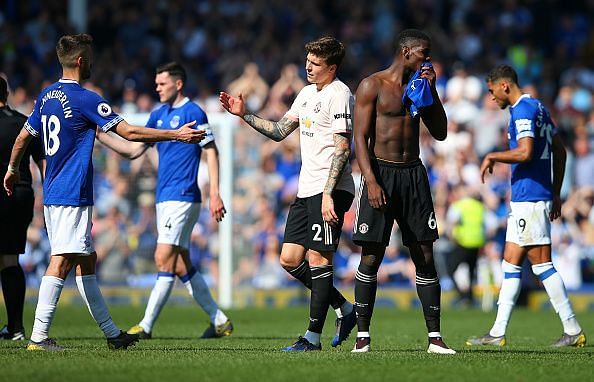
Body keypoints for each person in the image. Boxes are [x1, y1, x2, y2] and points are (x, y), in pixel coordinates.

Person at [3, 34, 205, 351]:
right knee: (62, 260)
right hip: (72, 193)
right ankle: (39, 337)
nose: (94, 63)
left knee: (87, 259)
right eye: (92, 58)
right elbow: (129, 131)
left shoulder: (45, 97)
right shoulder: (86, 98)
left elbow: (21, 138)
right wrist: (174, 135)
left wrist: (13, 169)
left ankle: (112, 334)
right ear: (82, 62)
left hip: (54, 190)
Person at [220, 36, 356, 351]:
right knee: (289, 259)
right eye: (307, 60)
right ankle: (345, 308)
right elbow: (281, 131)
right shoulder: (307, 93)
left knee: (319, 258)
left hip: (330, 190)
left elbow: (343, 147)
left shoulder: (340, 95)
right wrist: (244, 115)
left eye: (316, 63)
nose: (308, 66)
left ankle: (312, 338)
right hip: (306, 187)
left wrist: (328, 194)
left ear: (331, 67)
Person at [96, 62, 233, 339]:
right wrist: (101, 135)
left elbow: (211, 151)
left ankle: (145, 327)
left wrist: (215, 192)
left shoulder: (193, 111)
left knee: (162, 257)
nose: (157, 87)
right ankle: (220, 321)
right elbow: (134, 151)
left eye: (162, 83)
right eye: (156, 83)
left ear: (178, 84)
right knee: (180, 263)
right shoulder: (158, 115)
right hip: (164, 198)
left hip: (183, 196)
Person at [466, 64, 586, 348]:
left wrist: (492, 155)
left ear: (505, 86)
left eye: (492, 91)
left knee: (541, 263)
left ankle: (571, 327)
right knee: (511, 263)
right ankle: (497, 332)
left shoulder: (522, 110)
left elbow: (525, 151)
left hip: (530, 198)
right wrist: (555, 192)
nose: (492, 97)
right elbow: (559, 150)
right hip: (532, 197)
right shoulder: (540, 108)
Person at [351, 29, 455, 354]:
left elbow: (440, 133)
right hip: (380, 172)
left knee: (425, 255)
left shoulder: (419, 87)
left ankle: (435, 338)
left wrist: (433, 90)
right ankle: (363, 337)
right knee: (371, 255)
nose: (427, 58)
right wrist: (370, 181)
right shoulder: (373, 85)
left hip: (413, 174)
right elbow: (360, 138)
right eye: (423, 52)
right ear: (406, 51)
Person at [0, 76, 45, 341]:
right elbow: (43, 164)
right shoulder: (24, 123)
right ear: (6, 93)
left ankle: (14, 327)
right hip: (20, 195)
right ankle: (15, 327)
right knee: (10, 259)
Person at [445, 185, 486, 307]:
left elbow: (452, 223)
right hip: (477, 243)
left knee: (450, 268)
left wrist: (453, 238)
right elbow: (490, 225)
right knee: (471, 271)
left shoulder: (458, 206)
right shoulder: (479, 207)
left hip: (462, 242)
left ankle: (462, 296)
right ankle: (470, 297)